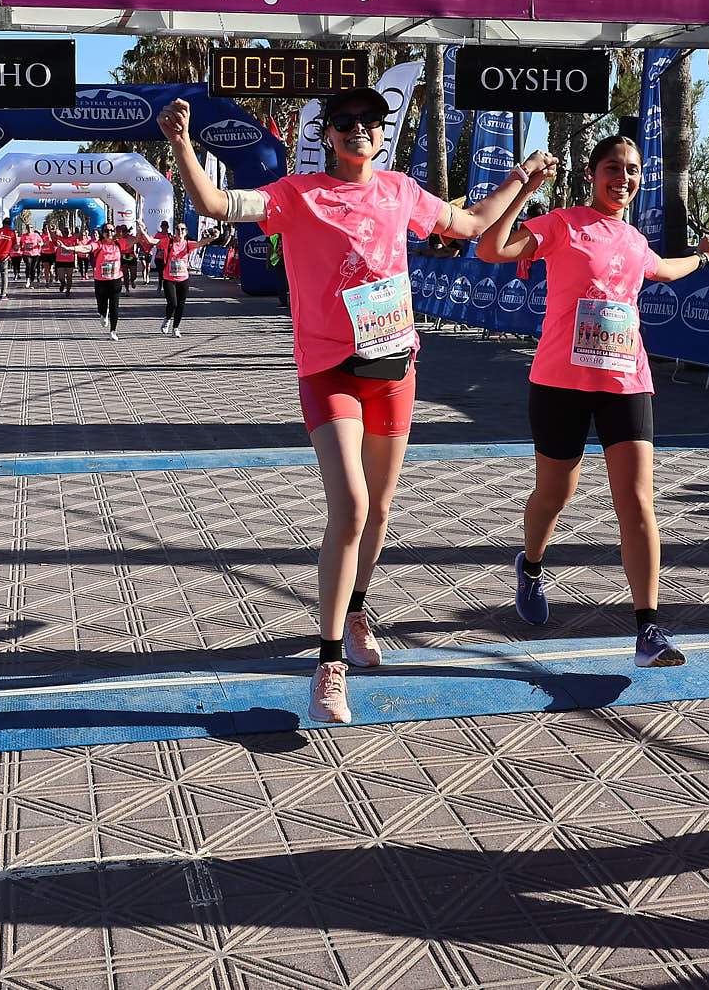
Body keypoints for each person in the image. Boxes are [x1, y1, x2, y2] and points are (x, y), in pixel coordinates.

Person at [161, 86, 551, 725]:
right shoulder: (298, 194)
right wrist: (181, 143)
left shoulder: (400, 191)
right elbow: (214, 201)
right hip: (329, 370)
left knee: (380, 509)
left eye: (369, 121)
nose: (358, 130)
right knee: (352, 504)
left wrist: (522, 180)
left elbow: (474, 225)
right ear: (328, 136)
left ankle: (358, 607)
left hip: (393, 366)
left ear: (380, 131)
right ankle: (329, 661)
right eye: (344, 122)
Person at [476, 135, 709, 665]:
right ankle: (532, 566)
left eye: (632, 170)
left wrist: (702, 258)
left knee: (636, 501)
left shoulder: (633, 239)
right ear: (592, 173)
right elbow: (491, 249)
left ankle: (648, 628)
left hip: (626, 383)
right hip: (559, 383)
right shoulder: (562, 224)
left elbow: (664, 269)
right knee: (554, 495)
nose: (624, 178)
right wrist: (524, 187)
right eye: (613, 168)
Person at [152, 224, 201, 336]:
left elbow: (200, 243)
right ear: (174, 231)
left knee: (181, 304)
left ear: (186, 231)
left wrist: (213, 237)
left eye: (182, 229)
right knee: (173, 303)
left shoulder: (188, 244)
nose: (180, 231)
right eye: (178, 229)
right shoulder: (168, 242)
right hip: (169, 278)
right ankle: (167, 319)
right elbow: (152, 241)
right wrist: (142, 231)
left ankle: (176, 328)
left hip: (183, 279)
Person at [89, 226, 127, 339]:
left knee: (114, 306)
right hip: (101, 280)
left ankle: (113, 331)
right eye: (107, 231)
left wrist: (141, 230)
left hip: (115, 279)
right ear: (103, 233)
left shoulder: (119, 243)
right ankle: (103, 313)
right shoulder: (99, 245)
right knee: (101, 304)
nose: (109, 232)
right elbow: (86, 248)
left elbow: (136, 239)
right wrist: (70, 248)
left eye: (111, 230)